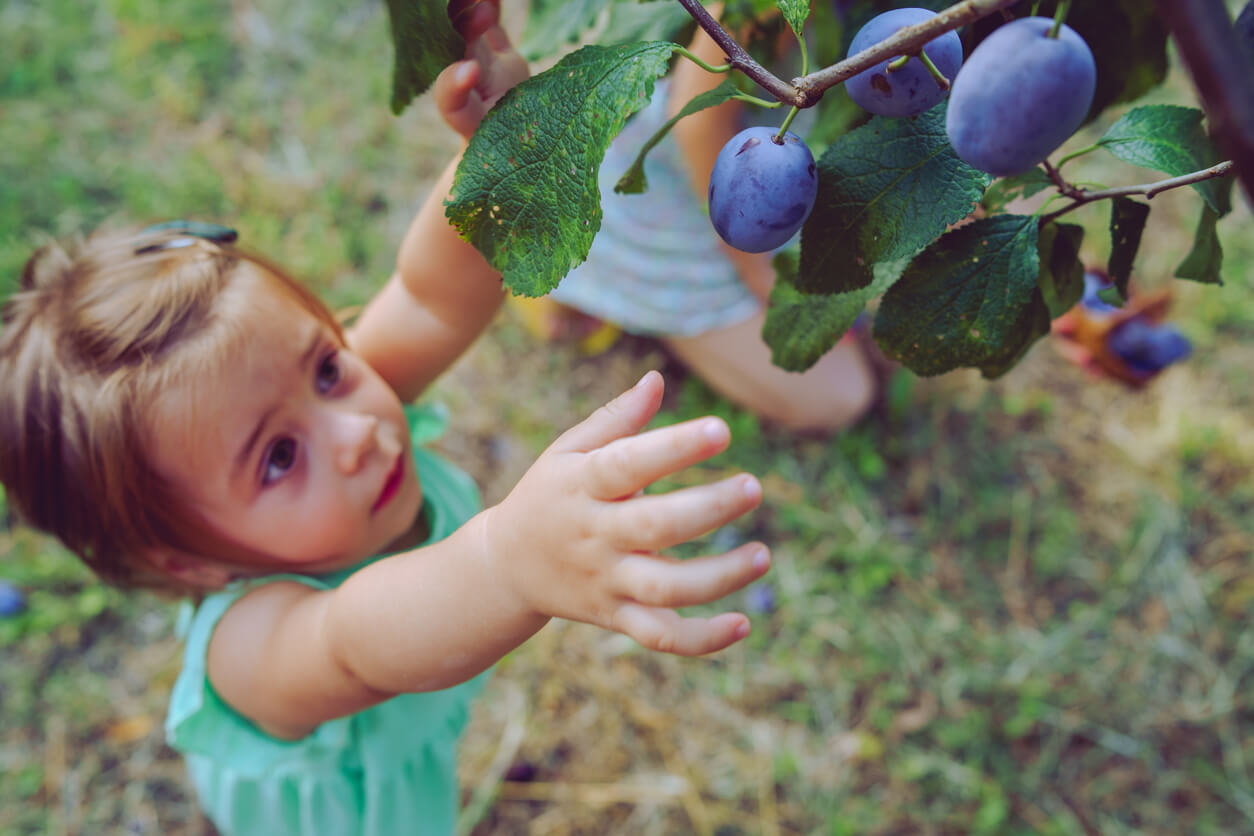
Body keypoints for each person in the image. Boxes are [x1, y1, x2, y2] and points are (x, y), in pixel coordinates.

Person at [0, 7, 770, 835]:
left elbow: (431, 297)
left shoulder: (348, 417)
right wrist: (508, 562)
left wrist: (510, 148)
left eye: (325, 367)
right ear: (183, 559)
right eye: (277, 459)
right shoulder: (250, 648)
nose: (358, 427)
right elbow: (353, 640)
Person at [533, 17, 878, 433]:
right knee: (843, 397)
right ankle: (623, 291)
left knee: (851, 355)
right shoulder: (772, 9)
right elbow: (696, 119)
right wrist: (758, 274)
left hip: (733, 193)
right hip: (668, 213)